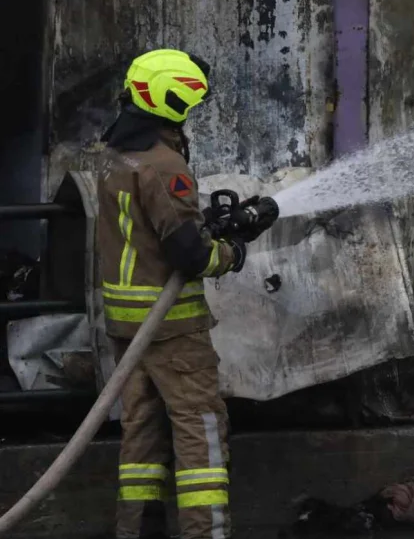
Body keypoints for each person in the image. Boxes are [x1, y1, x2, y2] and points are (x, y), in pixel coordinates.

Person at [97, 49, 276, 539]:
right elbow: (190, 255)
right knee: (201, 436)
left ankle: (136, 531)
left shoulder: (117, 154)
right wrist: (233, 251)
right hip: (172, 326)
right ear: (172, 101)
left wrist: (209, 225)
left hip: (129, 326)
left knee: (142, 434)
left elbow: (154, 230)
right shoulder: (162, 165)